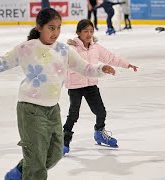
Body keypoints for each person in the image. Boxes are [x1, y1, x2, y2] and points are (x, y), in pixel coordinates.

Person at [0, 8, 116, 180]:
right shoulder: (27, 49)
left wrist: (101, 68)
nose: (56, 32)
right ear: (39, 27)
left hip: (52, 110)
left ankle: (20, 172)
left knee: (56, 153)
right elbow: (2, 62)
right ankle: (29, 172)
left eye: (58, 28)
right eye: (51, 28)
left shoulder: (64, 50)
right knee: (36, 163)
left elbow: (85, 68)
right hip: (30, 110)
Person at [62, 19, 138, 155]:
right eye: (85, 31)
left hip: (91, 84)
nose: (89, 34)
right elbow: (61, 64)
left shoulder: (95, 47)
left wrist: (127, 64)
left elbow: (111, 57)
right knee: (73, 115)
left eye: (91, 31)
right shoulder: (71, 49)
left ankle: (99, 133)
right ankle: (64, 140)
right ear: (78, 32)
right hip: (75, 86)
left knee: (101, 112)